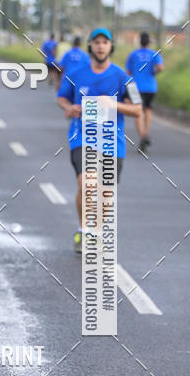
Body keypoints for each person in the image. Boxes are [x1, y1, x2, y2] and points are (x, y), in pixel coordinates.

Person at [57, 28, 142, 253]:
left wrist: (112, 104)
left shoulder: (124, 77)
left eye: (105, 42)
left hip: (112, 141)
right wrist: (70, 107)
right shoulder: (76, 73)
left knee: (105, 190)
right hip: (82, 136)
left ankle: (97, 232)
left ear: (111, 46)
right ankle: (84, 231)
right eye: (96, 42)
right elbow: (61, 98)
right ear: (90, 46)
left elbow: (137, 109)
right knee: (86, 183)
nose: (101, 46)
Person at [125, 32, 164, 152]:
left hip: (136, 86)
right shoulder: (154, 54)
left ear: (140, 41)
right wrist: (153, 73)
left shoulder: (133, 54)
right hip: (151, 87)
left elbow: (128, 72)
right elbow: (160, 67)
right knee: (148, 109)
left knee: (138, 110)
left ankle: (142, 135)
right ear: (149, 42)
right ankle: (146, 132)